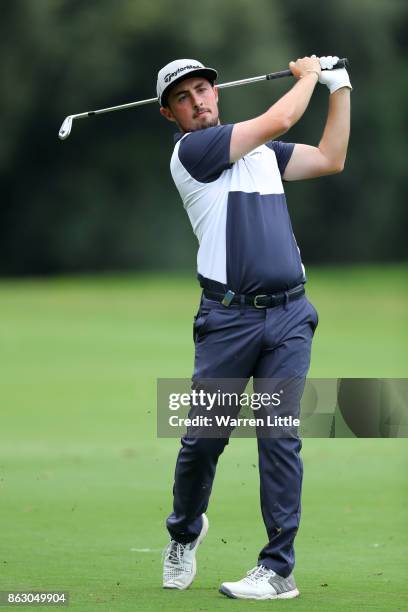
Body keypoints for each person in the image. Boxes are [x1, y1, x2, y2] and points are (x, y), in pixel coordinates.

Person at [157, 55, 351, 600]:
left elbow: (331, 158)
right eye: (183, 97)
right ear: (171, 115)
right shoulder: (192, 153)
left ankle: (277, 569)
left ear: (217, 94)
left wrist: (340, 89)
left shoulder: (261, 154)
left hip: (290, 316)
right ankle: (184, 532)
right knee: (203, 441)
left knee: (279, 436)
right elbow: (282, 119)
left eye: (203, 90)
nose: (198, 101)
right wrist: (310, 76)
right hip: (227, 321)